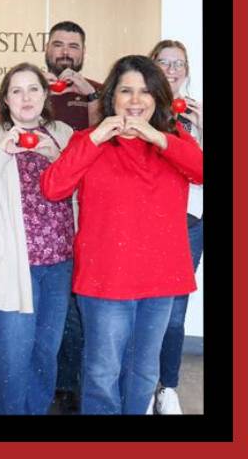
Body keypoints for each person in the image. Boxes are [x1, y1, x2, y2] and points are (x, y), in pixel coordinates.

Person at [40, 56, 202, 415]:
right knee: (102, 374)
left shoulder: (173, 141)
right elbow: (52, 188)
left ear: (158, 98)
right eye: (126, 91)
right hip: (106, 279)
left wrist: (159, 138)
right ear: (111, 97)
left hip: (160, 278)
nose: (135, 100)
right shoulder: (88, 141)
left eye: (145, 92)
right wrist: (96, 137)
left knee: (144, 374)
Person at [0, 63, 75, 416]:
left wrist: (57, 157)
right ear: (5, 99)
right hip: (10, 265)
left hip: (59, 263)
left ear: (45, 94)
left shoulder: (63, 133)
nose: (26, 97)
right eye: (17, 91)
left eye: (33, 89)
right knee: (11, 358)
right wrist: (2, 152)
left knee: (45, 353)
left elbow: (84, 189)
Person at [43, 19, 99, 412]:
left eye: (73, 46)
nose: (65, 52)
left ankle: (73, 384)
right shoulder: (29, 86)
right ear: (47, 49)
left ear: (83, 53)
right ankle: (55, 383)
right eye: (59, 44)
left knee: (79, 307)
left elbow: (108, 142)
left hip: (86, 211)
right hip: (40, 211)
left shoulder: (98, 91)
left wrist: (92, 98)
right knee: (52, 306)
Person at [149, 40, 202, 415]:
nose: (171, 69)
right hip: (149, 219)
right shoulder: (141, 108)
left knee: (174, 312)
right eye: (164, 62)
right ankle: (140, 385)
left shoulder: (196, 112)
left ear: (187, 70)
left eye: (178, 63)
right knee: (140, 306)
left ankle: (167, 387)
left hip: (189, 222)